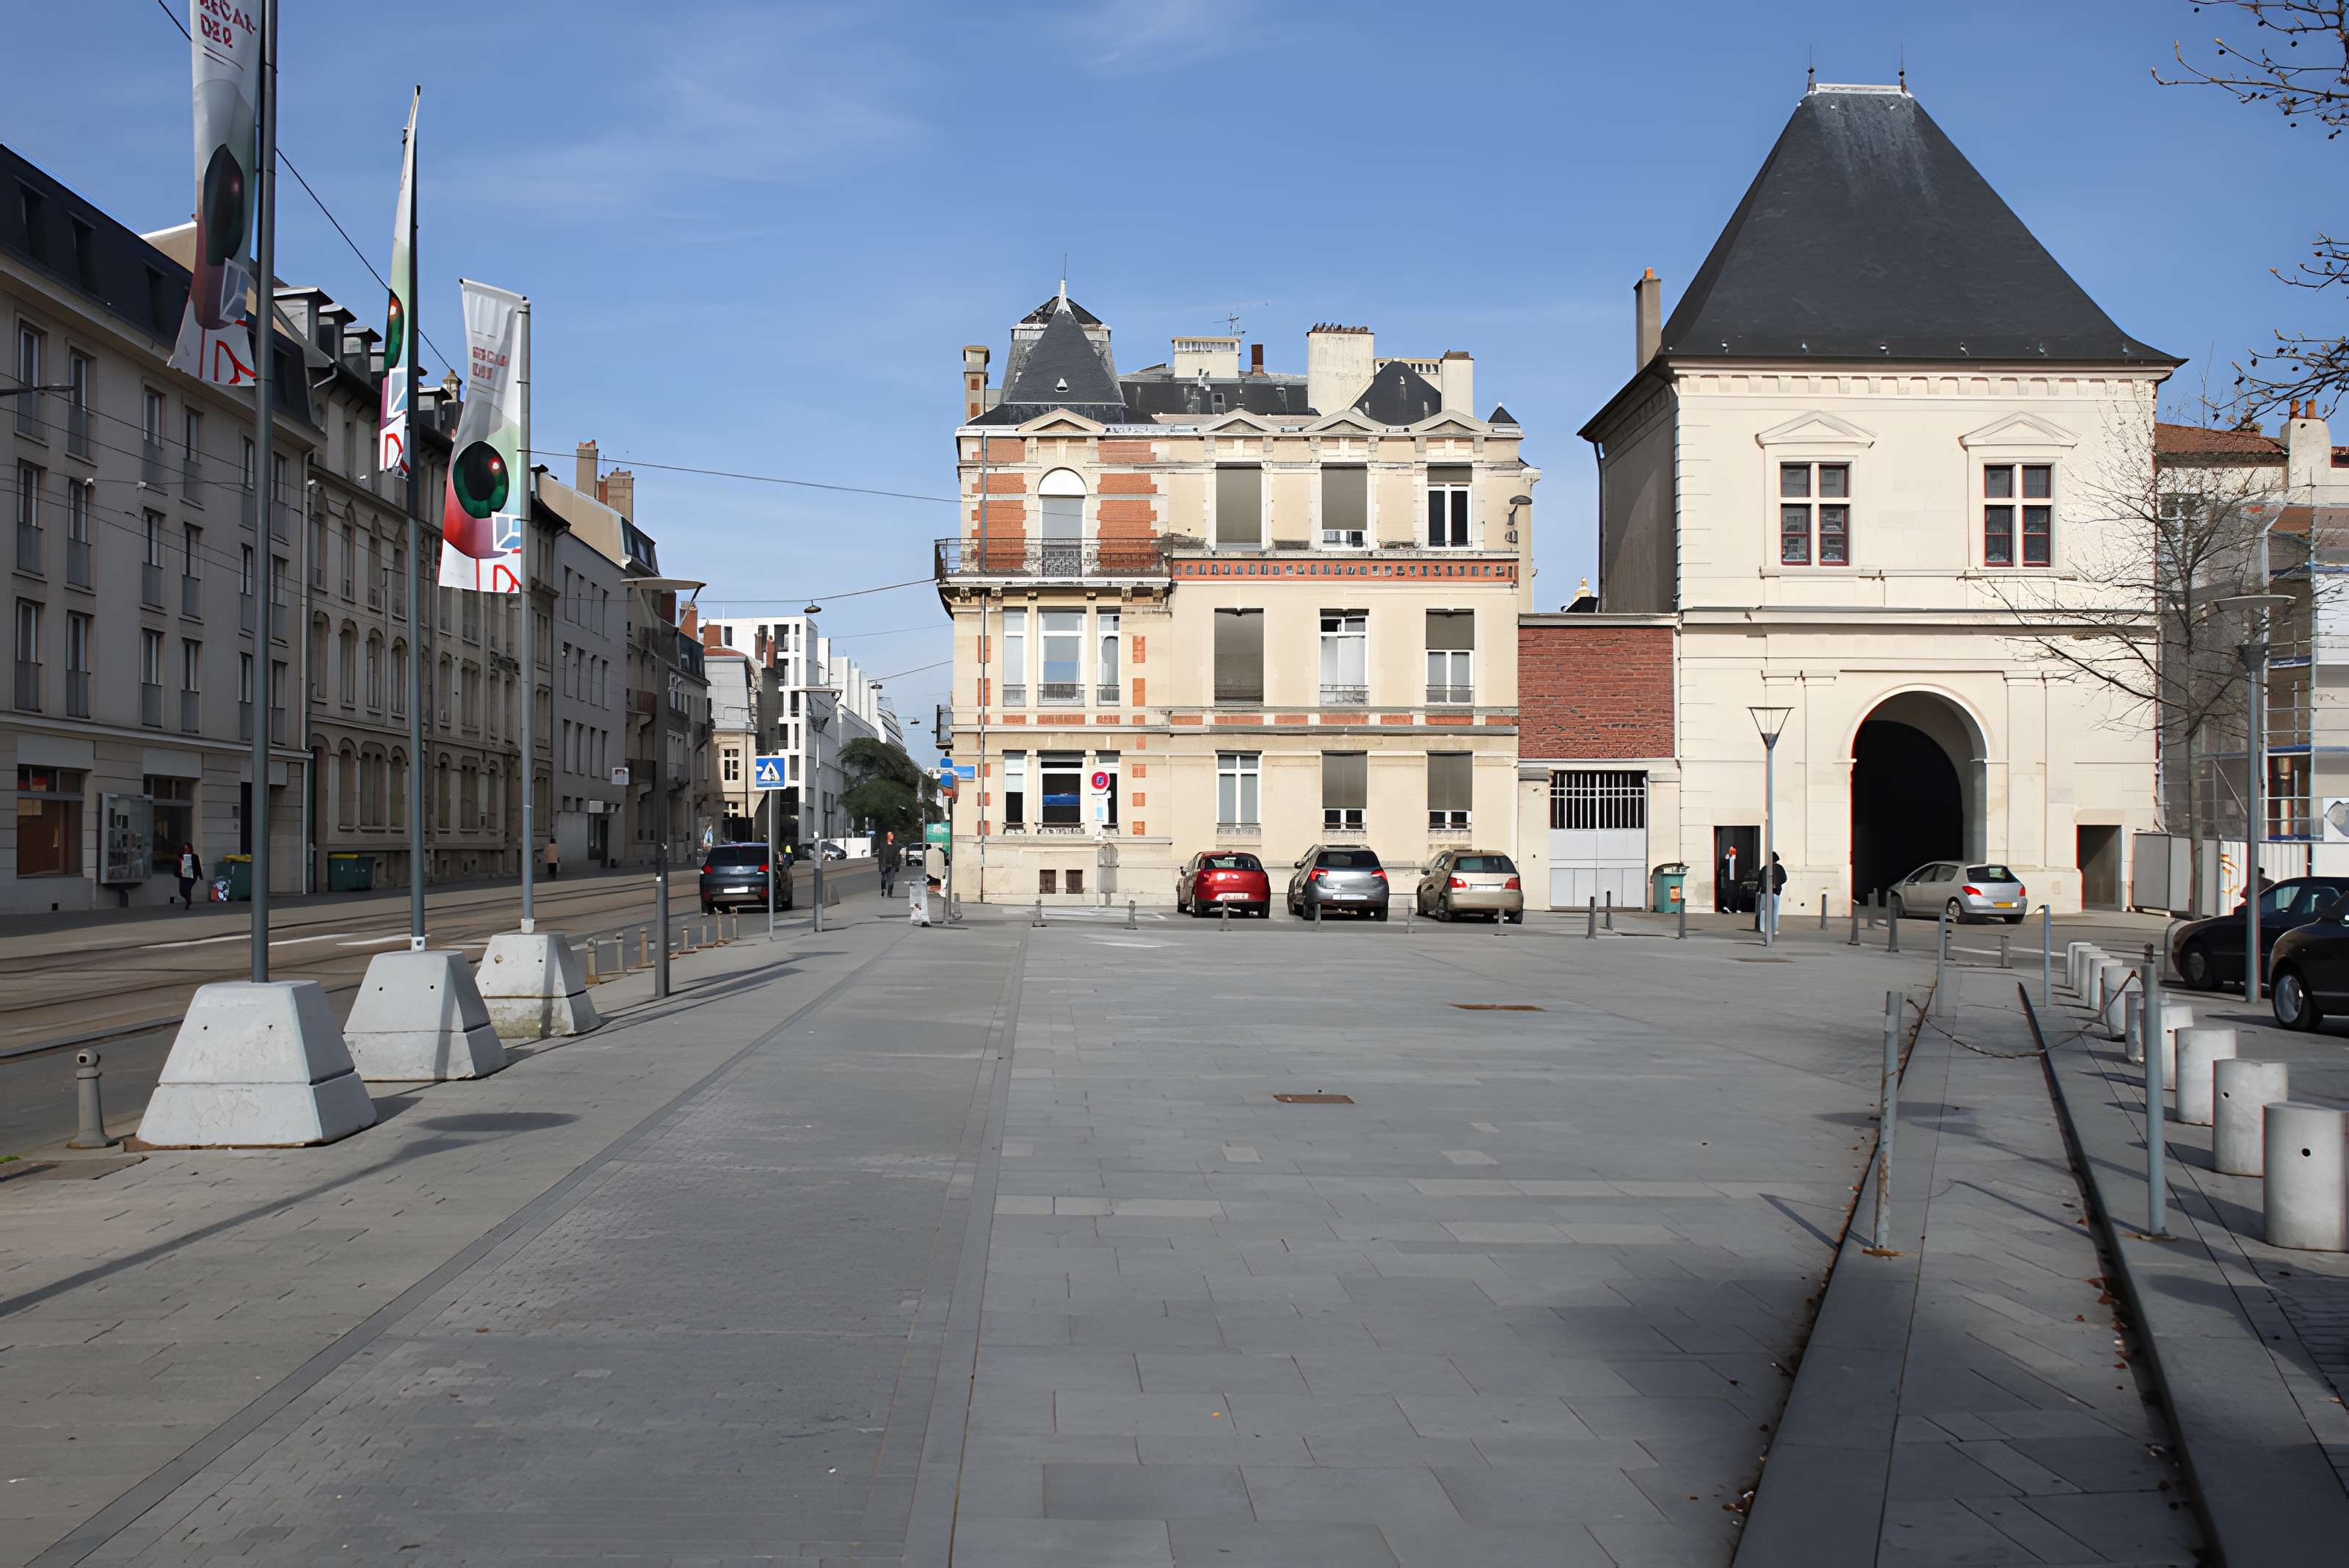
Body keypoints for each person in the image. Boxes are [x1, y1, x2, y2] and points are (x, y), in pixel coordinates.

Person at [175, 843, 202, 908]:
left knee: (187, 889)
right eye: (185, 848)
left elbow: (198, 866)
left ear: (190, 849)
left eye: (187, 848)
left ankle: (188, 902)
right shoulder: (181, 855)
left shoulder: (194, 856)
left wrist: (200, 875)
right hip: (183, 876)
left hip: (192, 876)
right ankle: (188, 900)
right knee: (182, 891)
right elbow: (177, 866)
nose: (186, 849)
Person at [879, 833, 900, 898]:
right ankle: (883, 890)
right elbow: (880, 856)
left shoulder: (896, 845)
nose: (892, 837)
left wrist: (897, 865)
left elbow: (898, 856)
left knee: (891, 881)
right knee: (884, 879)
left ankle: (889, 894)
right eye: (891, 836)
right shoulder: (883, 845)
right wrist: (880, 866)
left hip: (893, 865)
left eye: (892, 836)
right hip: (884, 865)